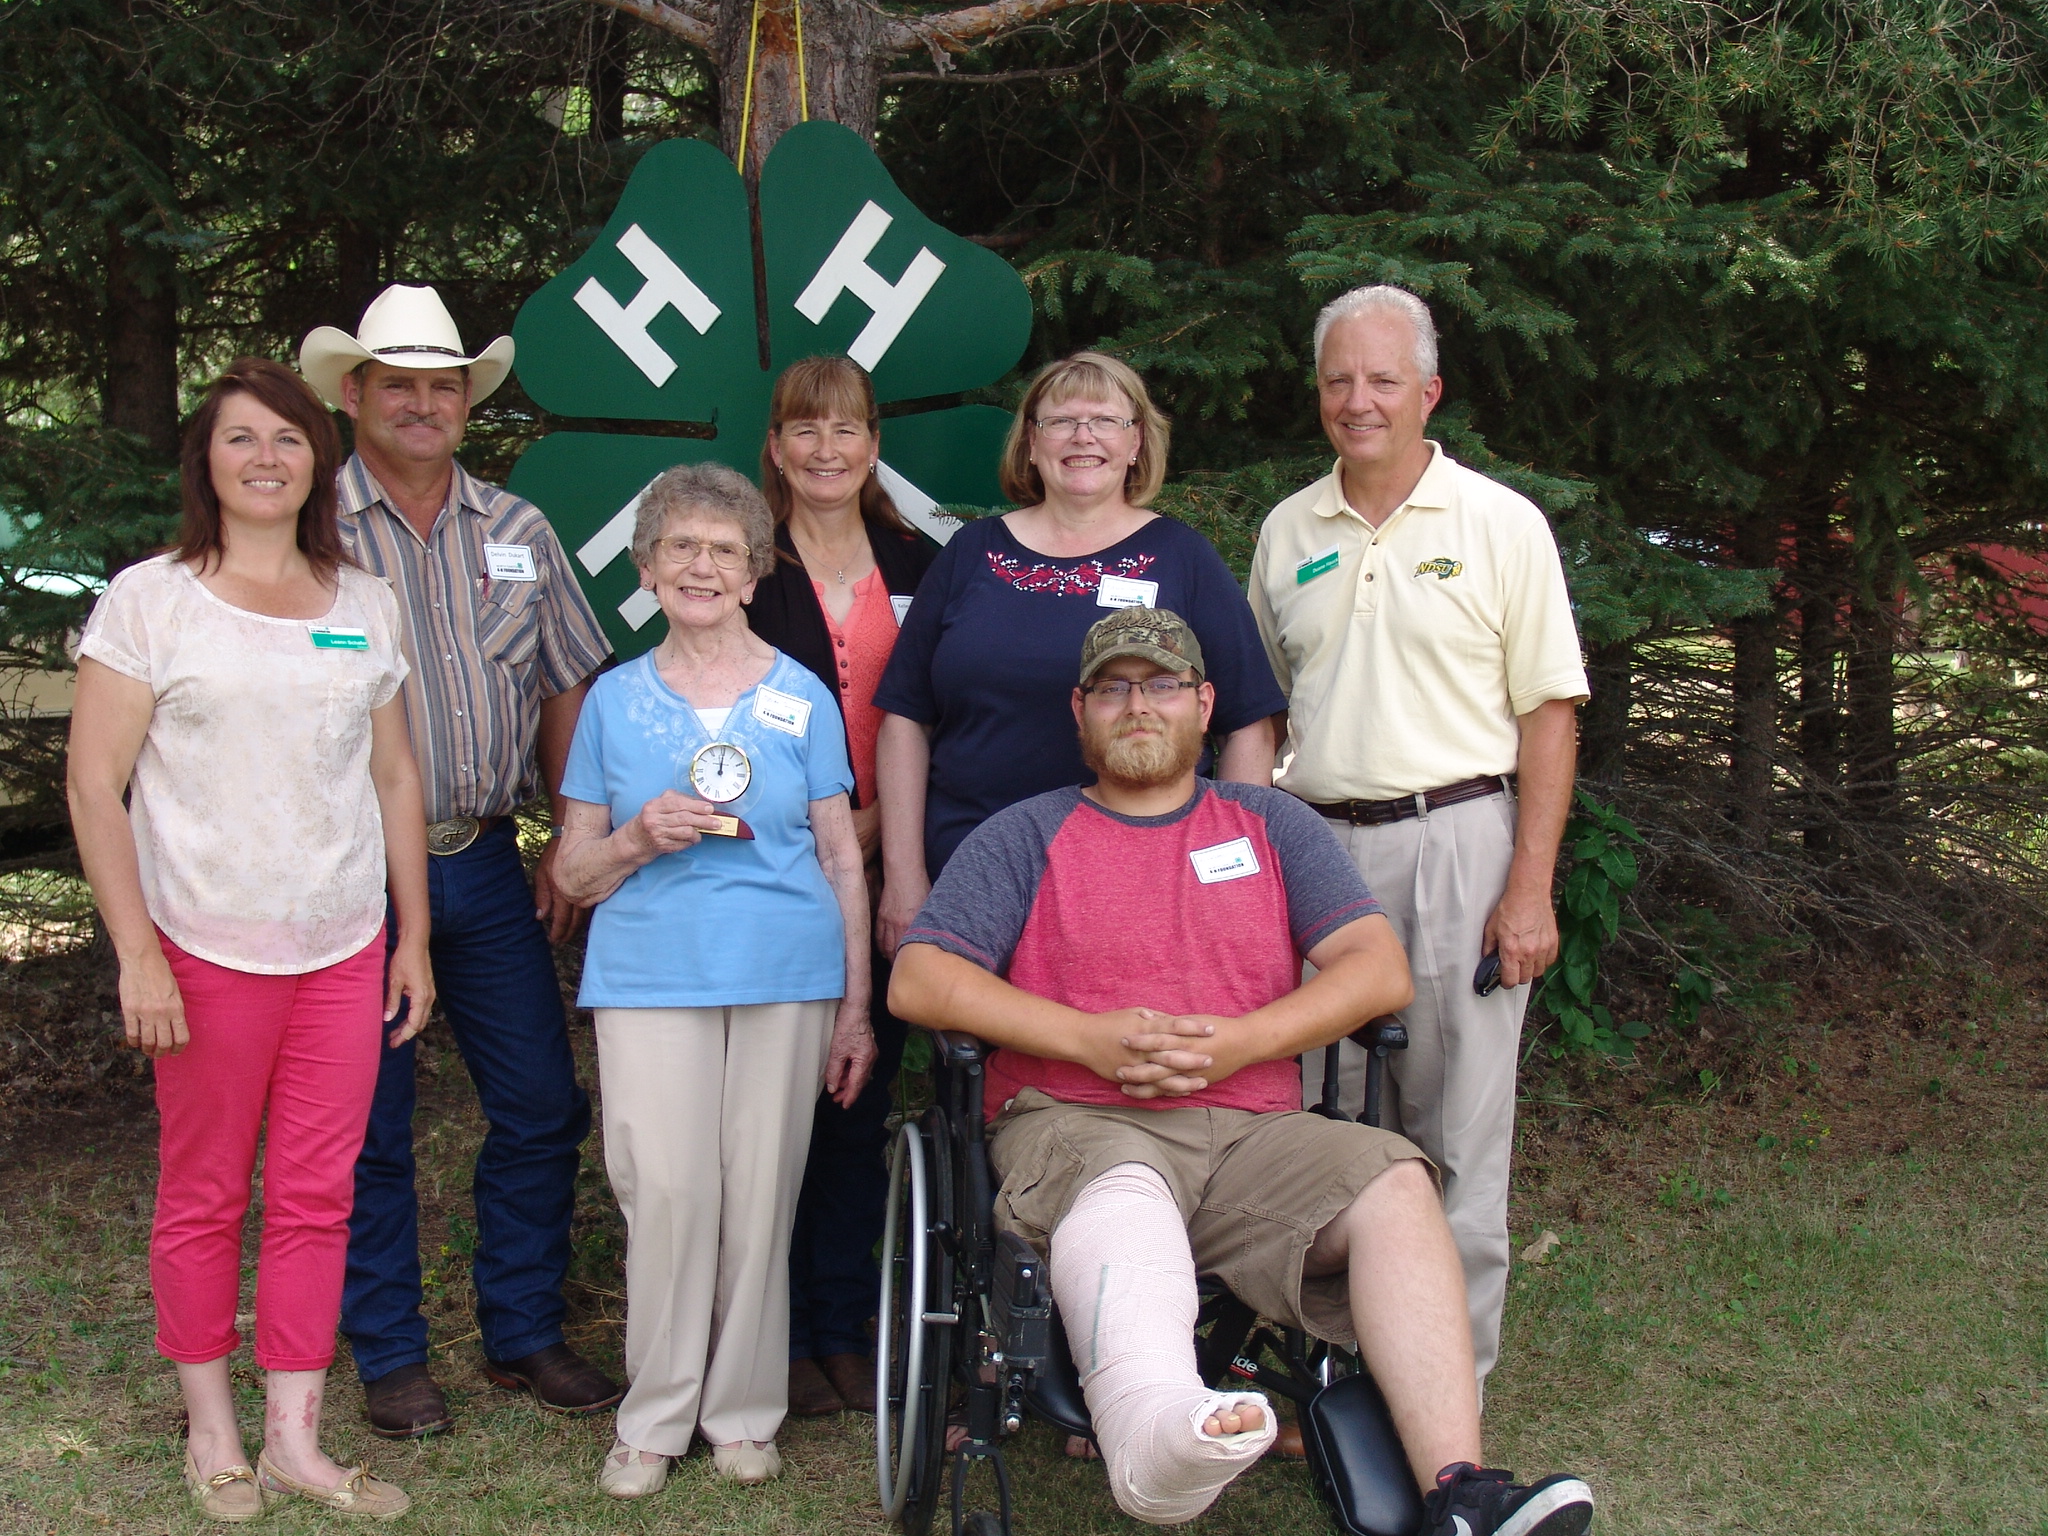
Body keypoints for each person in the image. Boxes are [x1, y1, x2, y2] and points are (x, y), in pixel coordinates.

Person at [889, 607, 1593, 1536]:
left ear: (1205, 704)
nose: (1140, 706)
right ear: (1082, 710)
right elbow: (920, 977)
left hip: (1255, 1134)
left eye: (1164, 685)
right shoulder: (1028, 832)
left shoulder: (1269, 823)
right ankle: (1159, 1429)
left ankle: (1461, 1494)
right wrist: (1084, 1038)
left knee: (1393, 1181)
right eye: (1115, 688)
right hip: (1077, 1119)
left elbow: (1376, 970)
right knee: (1125, 1187)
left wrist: (1242, 1043)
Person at [67, 358, 433, 1520]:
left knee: (320, 1196)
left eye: (287, 438)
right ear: (206, 461)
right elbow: (93, 783)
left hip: (340, 947)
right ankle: (213, 1436)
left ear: (317, 460)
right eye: (240, 439)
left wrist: (410, 940)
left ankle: (294, 1441)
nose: (266, 458)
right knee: (207, 1193)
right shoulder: (151, 599)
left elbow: (393, 775)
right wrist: (135, 952)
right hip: (201, 948)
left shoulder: (363, 601)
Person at [1247, 285, 1590, 1389]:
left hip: (1459, 844)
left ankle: (1444, 1400)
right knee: (1320, 1126)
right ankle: (1329, 1383)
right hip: (1315, 854)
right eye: (1339, 380)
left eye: (1382, 379)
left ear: (1427, 392)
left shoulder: (1498, 524)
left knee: (1455, 1138)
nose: (1358, 401)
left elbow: (1547, 714)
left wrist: (1527, 887)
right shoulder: (1286, 529)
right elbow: (1256, 711)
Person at [297, 284, 618, 1437]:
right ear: (354, 395)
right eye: (400, 384)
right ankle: (388, 1351)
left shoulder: (518, 532)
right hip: (343, 874)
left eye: (444, 385)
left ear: (466, 401)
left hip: (480, 861)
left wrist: (568, 829)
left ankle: (522, 1330)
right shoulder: (307, 528)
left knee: (539, 1103)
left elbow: (568, 675)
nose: (423, 403)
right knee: (368, 1122)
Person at [553, 462, 876, 1496]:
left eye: (723, 549)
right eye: (679, 547)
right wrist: (640, 837)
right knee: (668, 1192)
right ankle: (653, 1418)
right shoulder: (611, 701)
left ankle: (741, 1414)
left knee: (758, 1195)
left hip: (786, 973)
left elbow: (839, 855)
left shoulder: (800, 695)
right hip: (649, 976)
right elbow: (569, 869)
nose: (701, 565)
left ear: (752, 573)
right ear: (646, 570)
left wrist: (857, 1003)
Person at [872, 351, 1286, 958]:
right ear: (1031, 444)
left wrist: (1222, 860)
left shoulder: (1183, 558)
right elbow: (905, 718)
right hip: (969, 874)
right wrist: (904, 877)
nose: (1083, 436)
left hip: (1141, 881)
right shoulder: (970, 553)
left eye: (1105, 420)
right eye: (1061, 421)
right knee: (976, 1048)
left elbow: (1250, 722)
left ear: (1137, 442)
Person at [744, 356, 940, 1418]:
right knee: (775, 1109)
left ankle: (843, 1325)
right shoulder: (741, 562)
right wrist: (834, 834)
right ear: (774, 445)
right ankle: (773, 1336)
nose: (826, 448)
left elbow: (949, 707)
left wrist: (878, 836)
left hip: (895, 869)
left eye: (847, 428)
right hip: (774, 873)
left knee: (855, 1106)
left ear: (872, 445)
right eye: (804, 429)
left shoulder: (919, 560)